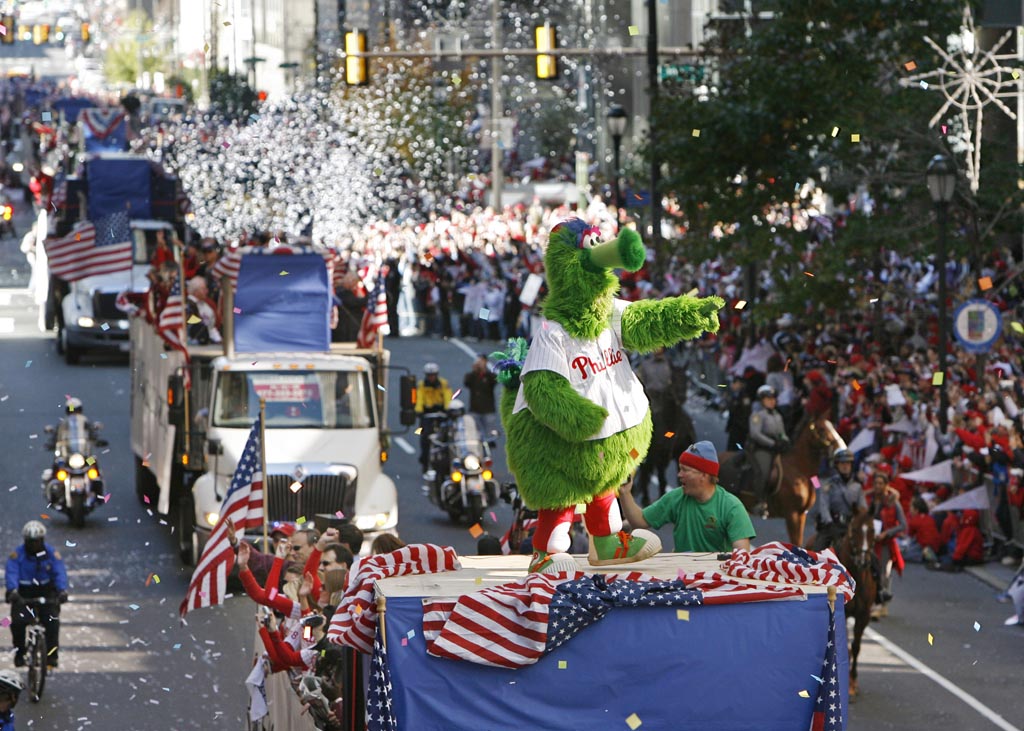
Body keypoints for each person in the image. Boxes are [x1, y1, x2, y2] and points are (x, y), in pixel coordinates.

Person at [619, 441, 756, 553]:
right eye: (680, 469)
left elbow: (742, 554)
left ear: (704, 475)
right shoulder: (676, 497)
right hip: (681, 575)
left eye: (685, 470)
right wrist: (625, 493)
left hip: (715, 577)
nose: (679, 475)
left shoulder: (731, 506)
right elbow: (640, 521)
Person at [5, 521, 68, 670]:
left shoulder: (51, 554)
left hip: (46, 591)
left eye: (37, 541)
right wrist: (12, 591)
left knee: (52, 623)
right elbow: (11, 573)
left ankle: (52, 656)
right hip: (24, 593)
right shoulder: (17, 555)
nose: (34, 545)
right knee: (18, 622)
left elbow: (59, 572)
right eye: (31, 542)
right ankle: (20, 653)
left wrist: (62, 590)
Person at [806, 448, 866, 551]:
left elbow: (863, 508)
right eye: (842, 463)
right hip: (832, 526)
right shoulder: (828, 485)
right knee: (816, 552)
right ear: (837, 465)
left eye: (847, 463)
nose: (845, 466)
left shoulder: (857, 487)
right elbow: (823, 505)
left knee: (869, 556)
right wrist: (829, 522)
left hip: (851, 526)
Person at [868, 473, 907, 617]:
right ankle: (873, 601)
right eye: (876, 483)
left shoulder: (893, 503)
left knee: (884, 573)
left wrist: (887, 533)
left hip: (886, 543)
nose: (878, 486)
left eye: (881, 483)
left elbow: (903, 525)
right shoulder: (870, 500)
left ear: (886, 485)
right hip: (872, 541)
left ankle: (881, 604)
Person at [748, 384, 789, 513]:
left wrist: (785, 440)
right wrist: (772, 443)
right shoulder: (757, 415)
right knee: (763, 472)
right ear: (762, 401)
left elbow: (782, 432)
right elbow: (755, 434)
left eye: (773, 399)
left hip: (776, 447)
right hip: (761, 448)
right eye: (768, 399)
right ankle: (759, 501)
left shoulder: (777, 415)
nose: (772, 401)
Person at [416, 362, 453, 473]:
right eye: (429, 375)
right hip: (427, 414)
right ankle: (424, 461)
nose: (431, 377)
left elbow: (447, 396)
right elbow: (419, 398)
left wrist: (448, 409)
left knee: (447, 436)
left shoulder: (443, 384)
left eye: (433, 375)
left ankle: (447, 460)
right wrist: (419, 410)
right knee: (424, 437)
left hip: (441, 413)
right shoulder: (421, 385)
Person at [464, 354, 499, 439]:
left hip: (488, 410)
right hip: (474, 410)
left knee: (490, 436)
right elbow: (466, 383)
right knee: (474, 435)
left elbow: (495, 381)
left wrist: (484, 370)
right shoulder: (472, 376)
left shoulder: (489, 376)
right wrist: (474, 370)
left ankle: (488, 451)